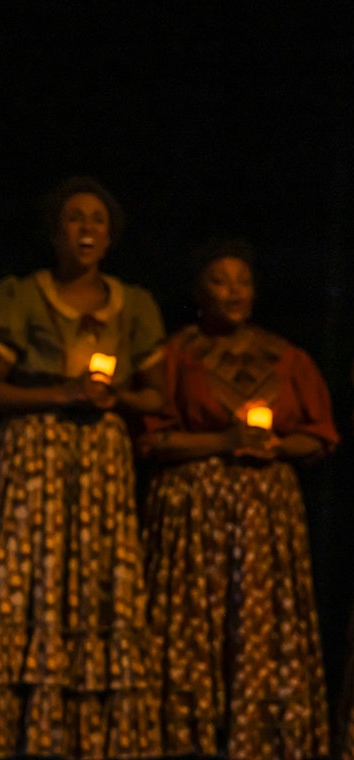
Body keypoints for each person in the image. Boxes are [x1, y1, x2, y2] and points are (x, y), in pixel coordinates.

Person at [0, 177, 164, 758]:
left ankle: (90, 732)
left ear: (110, 238)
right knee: (24, 580)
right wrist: (64, 393)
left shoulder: (133, 304)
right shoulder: (22, 295)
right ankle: (12, 727)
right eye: (75, 220)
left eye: (97, 221)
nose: (86, 230)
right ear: (56, 233)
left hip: (101, 463)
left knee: (93, 582)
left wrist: (110, 397)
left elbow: (156, 396)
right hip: (34, 454)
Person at [139, 239, 335, 759]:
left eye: (243, 281)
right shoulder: (176, 353)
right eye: (221, 281)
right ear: (199, 291)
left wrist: (276, 446)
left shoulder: (287, 357)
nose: (234, 292)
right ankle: (187, 736)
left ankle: (260, 734)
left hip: (265, 518)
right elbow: (154, 437)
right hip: (195, 515)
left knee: (260, 622)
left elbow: (318, 435)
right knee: (192, 625)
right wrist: (223, 443)